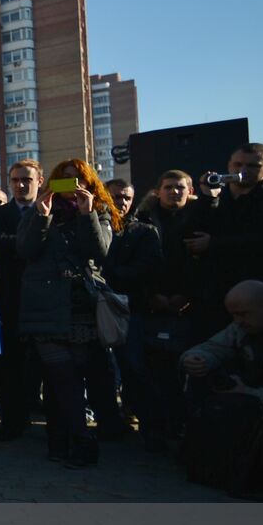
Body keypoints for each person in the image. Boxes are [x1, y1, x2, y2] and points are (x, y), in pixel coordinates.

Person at [16, 158, 120, 468]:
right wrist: (42, 217)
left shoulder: (98, 212)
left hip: (80, 308)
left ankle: (66, 440)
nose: (71, 187)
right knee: (60, 377)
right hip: (45, 307)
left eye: (78, 181)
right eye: (64, 180)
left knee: (73, 379)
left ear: (89, 185)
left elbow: (99, 252)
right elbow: (25, 250)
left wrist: (87, 213)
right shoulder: (39, 212)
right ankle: (77, 440)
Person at [180, 280, 263, 491]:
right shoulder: (243, 327)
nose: (237, 321)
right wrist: (196, 360)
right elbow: (211, 347)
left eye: (243, 314)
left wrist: (250, 393)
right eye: (234, 315)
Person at [186, 143, 263, 316]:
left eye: (252, 166)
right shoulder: (218, 200)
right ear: (229, 164)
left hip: (261, 294)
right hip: (215, 295)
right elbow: (190, 234)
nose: (243, 170)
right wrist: (207, 198)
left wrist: (215, 244)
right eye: (238, 164)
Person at [136, 170, 199, 444]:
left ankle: (185, 427)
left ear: (190, 189)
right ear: (157, 191)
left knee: (187, 373)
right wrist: (152, 295)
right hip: (152, 306)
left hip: (190, 306)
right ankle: (156, 428)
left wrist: (186, 296)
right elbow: (138, 264)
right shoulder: (143, 220)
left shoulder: (201, 217)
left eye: (180, 187)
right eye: (169, 187)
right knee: (153, 373)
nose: (174, 192)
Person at [0, 159, 45, 440]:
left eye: (27, 180)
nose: (21, 185)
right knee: (10, 365)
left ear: (40, 181)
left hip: (45, 299)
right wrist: (30, 242)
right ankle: (12, 422)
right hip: (10, 298)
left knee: (46, 363)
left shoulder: (52, 211)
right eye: (16, 180)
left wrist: (18, 243)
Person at [102, 178, 161, 445]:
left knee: (135, 368)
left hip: (130, 310)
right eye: (115, 196)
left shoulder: (144, 231)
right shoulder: (95, 226)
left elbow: (148, 268)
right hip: (98, 308)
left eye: (126, 197)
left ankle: (146, 424)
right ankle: (111, 423)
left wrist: (109, 275)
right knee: (103, 372)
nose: (121, 202)